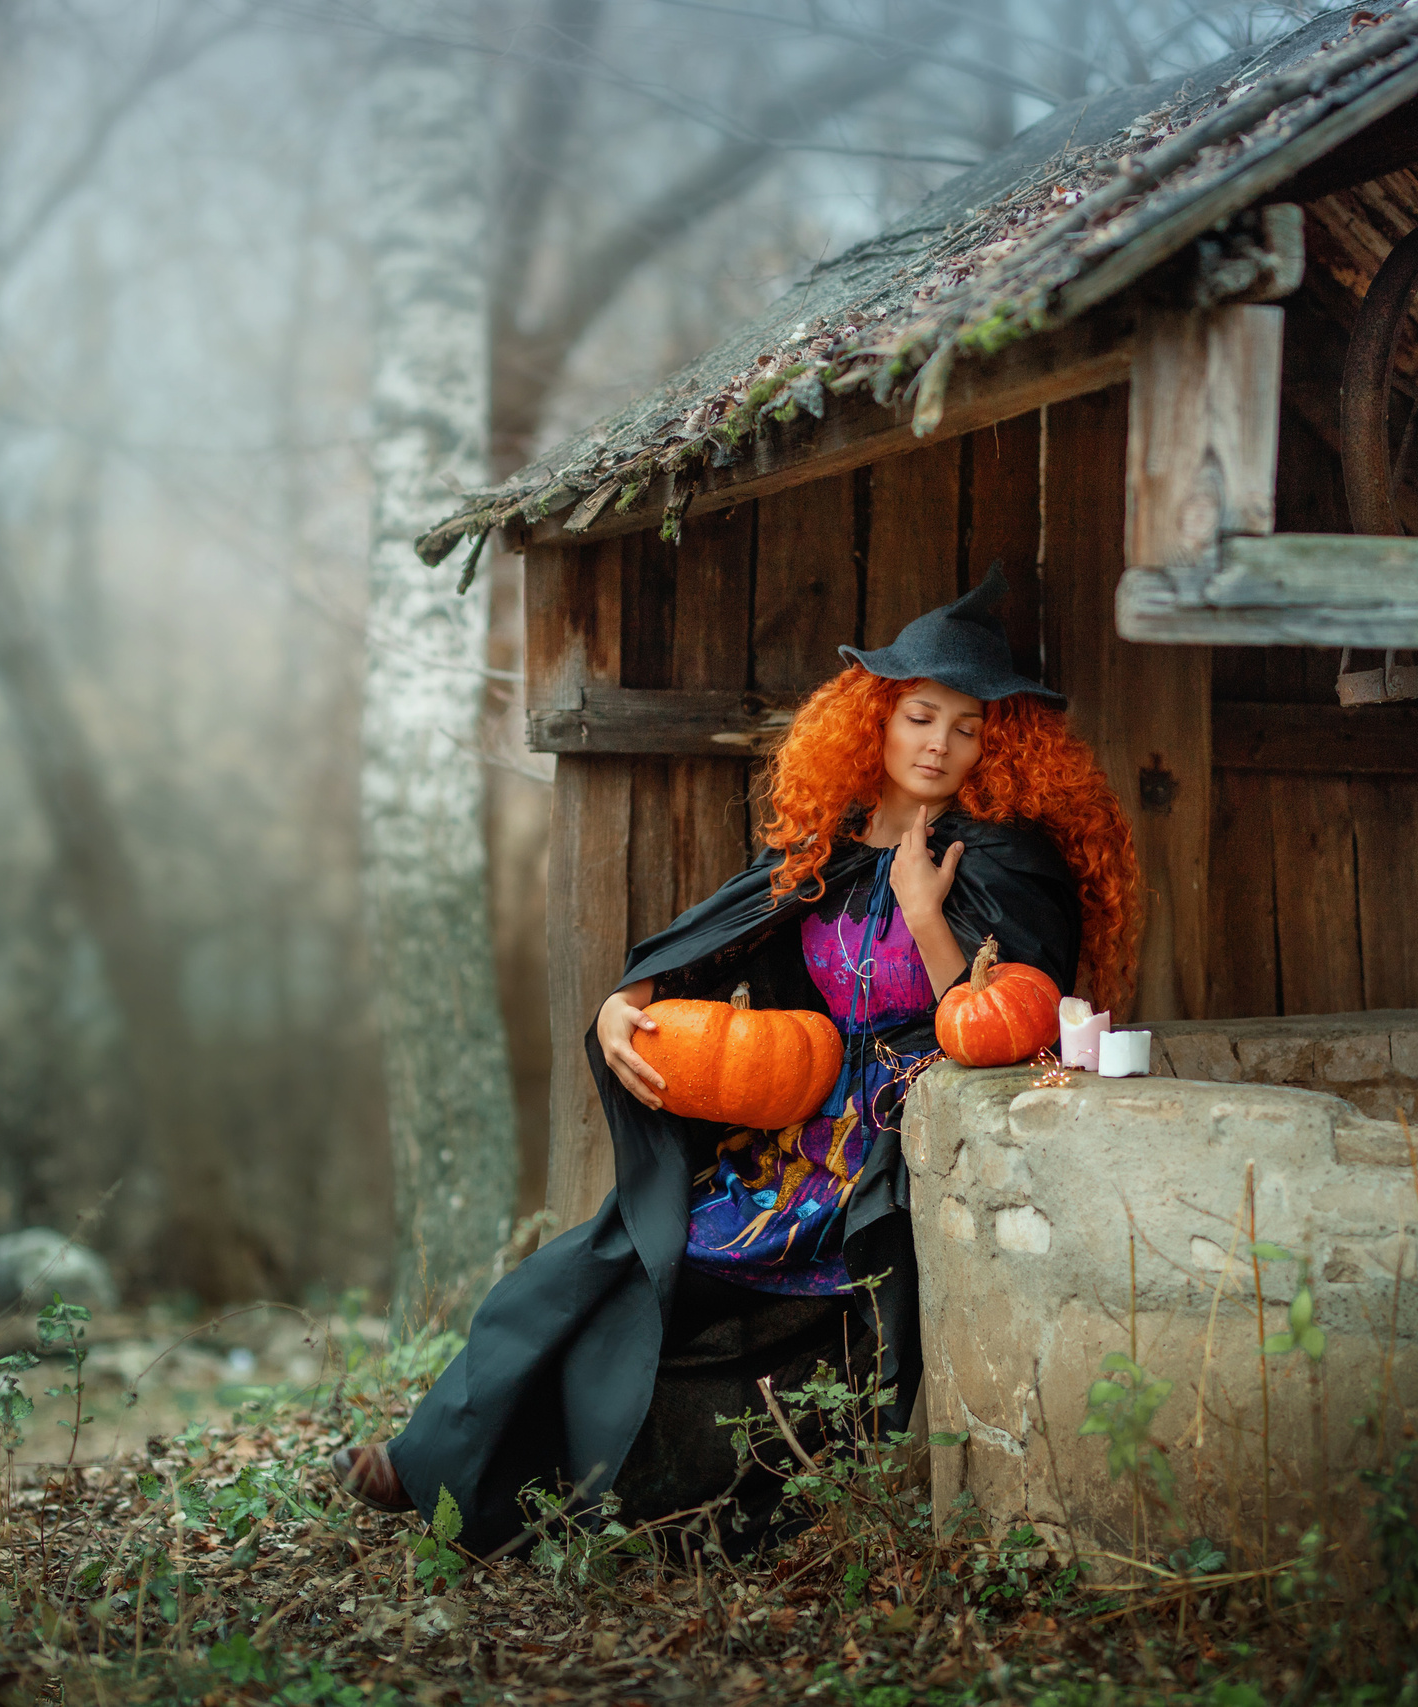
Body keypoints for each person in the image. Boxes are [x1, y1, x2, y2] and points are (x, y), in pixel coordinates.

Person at [331, 568, 1141, 1557]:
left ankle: (691, 1523)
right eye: (921, 715)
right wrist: (626, 1000)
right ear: (877, 720)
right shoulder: (823, 845)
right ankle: (438, 1468)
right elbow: (706, 944)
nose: (939, 743)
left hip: (891, 1165)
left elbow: (1003, 1017)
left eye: (967, 726)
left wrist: (926, 913)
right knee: (600, 1276)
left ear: (997, 742)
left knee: (814, 1361)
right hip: (787, 1151)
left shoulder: (1001, 857)